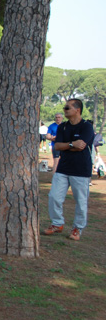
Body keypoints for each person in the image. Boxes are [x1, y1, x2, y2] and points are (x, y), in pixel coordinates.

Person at [44, 99, 94, 241]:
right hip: (63, 168)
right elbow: (57, 146)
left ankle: (77, 228)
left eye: (67, 108)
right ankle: (57, 223)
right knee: (54, 196)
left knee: (81, 201)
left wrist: (66, 145)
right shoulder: (63, 127)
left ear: (77, 110)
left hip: (81, 169)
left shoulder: (86, 127)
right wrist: (71, 144)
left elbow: (81, 146)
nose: (65, 110)